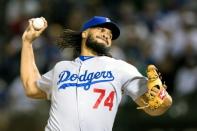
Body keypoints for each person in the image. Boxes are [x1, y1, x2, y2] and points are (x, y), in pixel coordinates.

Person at [21, 16, 172, 131]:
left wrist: (164, 100)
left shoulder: (120, 68)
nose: (106, 34)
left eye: (110, 35)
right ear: (84, 33)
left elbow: (155, 107)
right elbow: (31, 88)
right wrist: (27, 42)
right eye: (101, 29)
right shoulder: (61, 68)